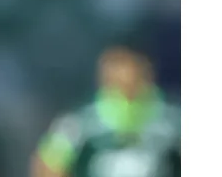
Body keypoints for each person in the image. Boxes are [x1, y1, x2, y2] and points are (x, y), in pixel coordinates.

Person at [31, 38, 180, 177]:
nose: (119, 75)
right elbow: (49, 163)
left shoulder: (172, 119)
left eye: (125, 65)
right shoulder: (79, 120)